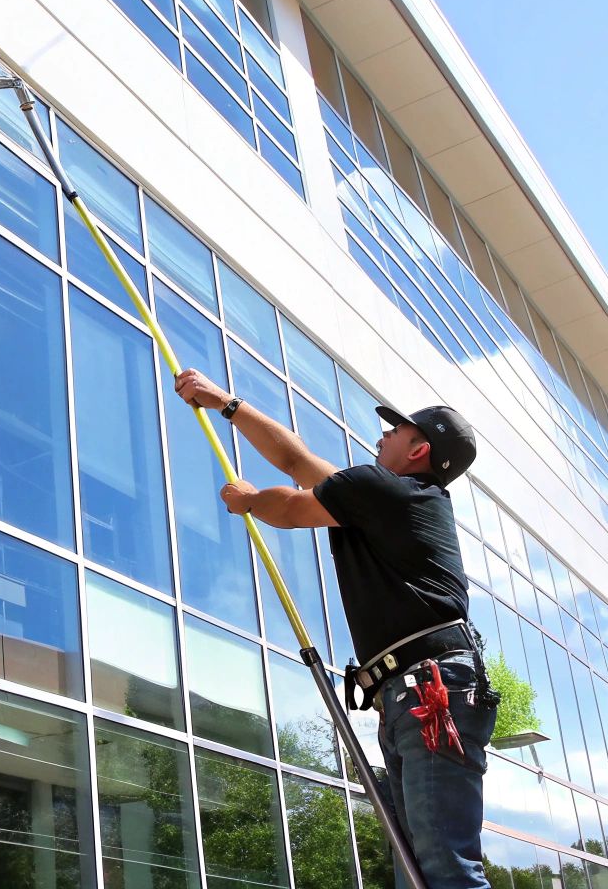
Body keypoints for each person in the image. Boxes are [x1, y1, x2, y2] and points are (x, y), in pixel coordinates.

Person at [174, 367, 497, 889]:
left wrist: (249, 501)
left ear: (418, 451)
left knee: (443, 864)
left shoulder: (387, 492)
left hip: (430, 691)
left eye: (397, 430)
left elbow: (292, 507)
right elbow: (297, 459)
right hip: (412, 692)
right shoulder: (381, 502)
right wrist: (225, 404)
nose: (383, 434)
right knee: (418, 867)